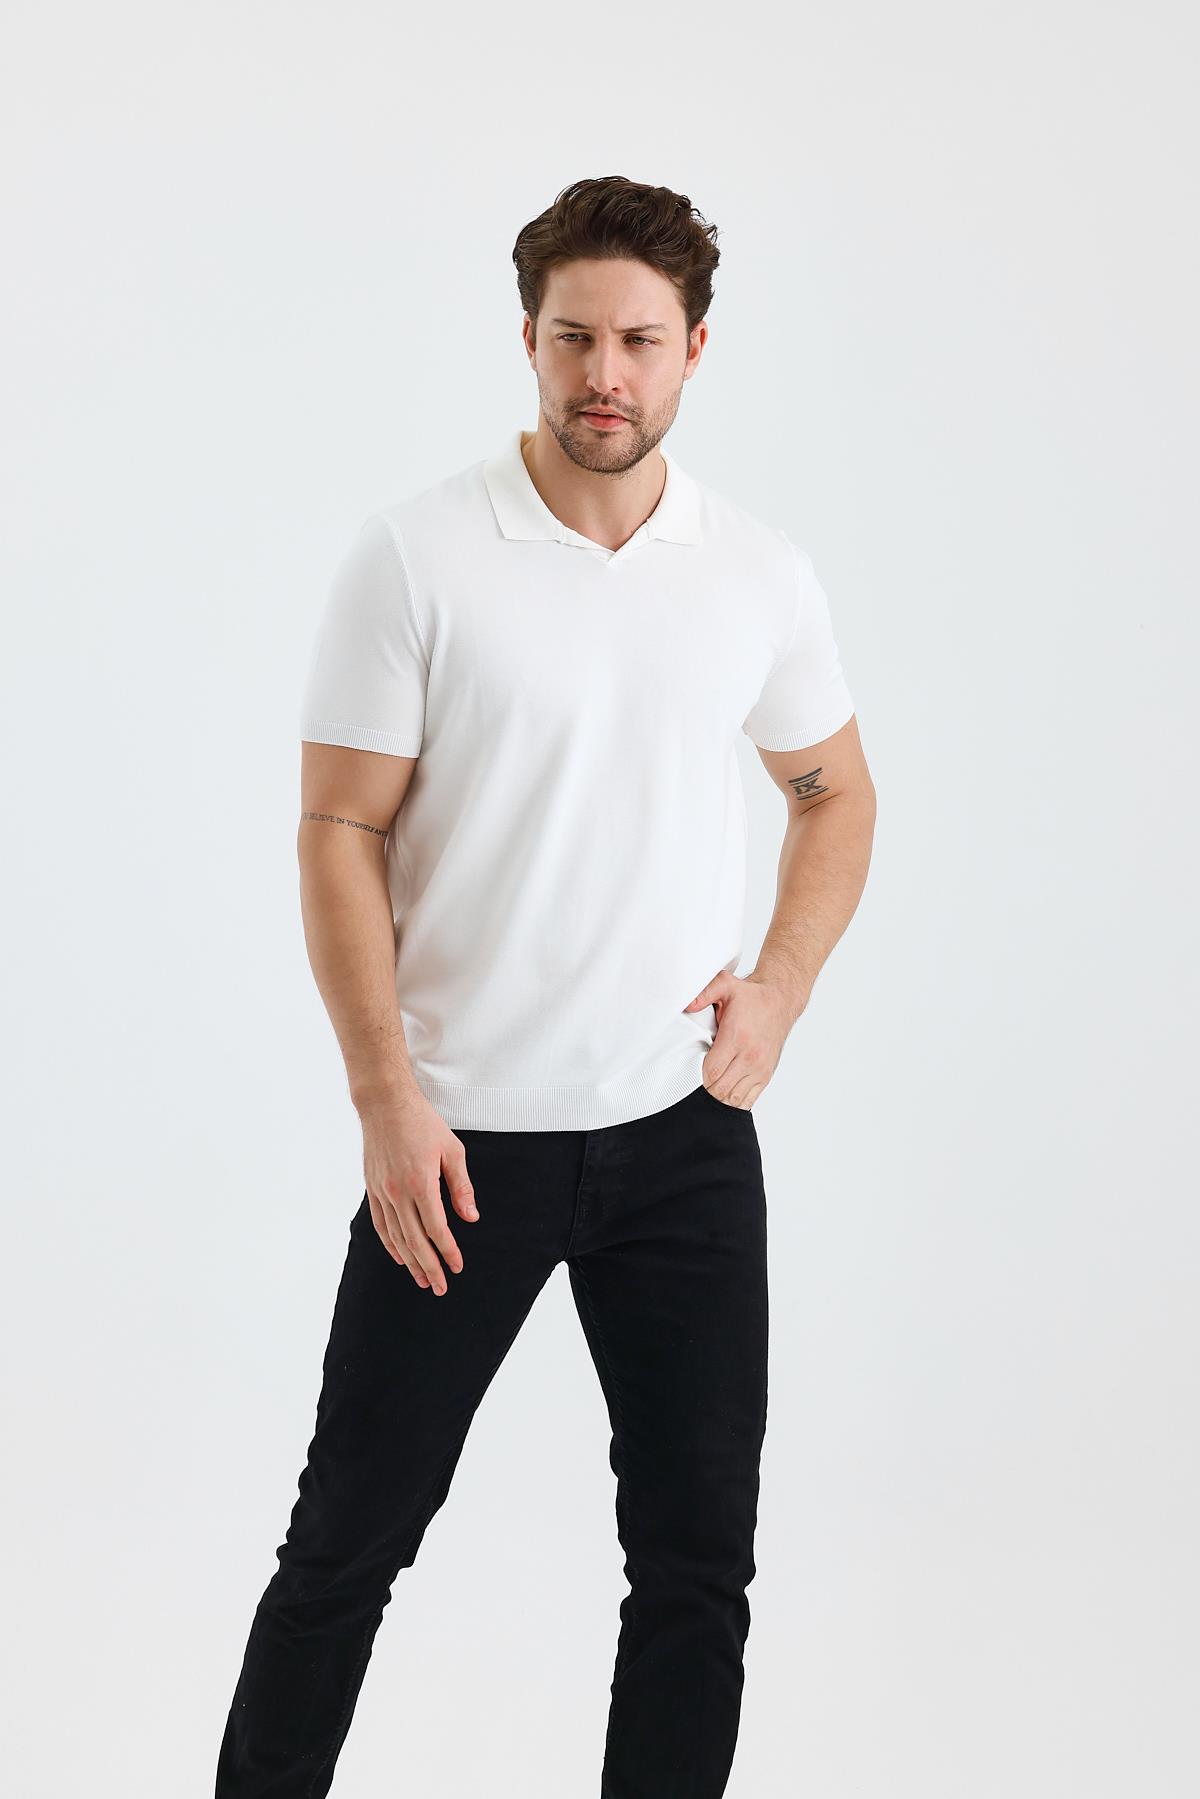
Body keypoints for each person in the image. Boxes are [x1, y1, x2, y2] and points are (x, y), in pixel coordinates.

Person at [215, 174, 876, 1798]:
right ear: (528, 338)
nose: (605, 373)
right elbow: (338, 829)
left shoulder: (757, 573)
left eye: (639, 341)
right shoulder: (418, 557)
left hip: (681, 1135)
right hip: (459, 1146)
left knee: (696, 1571)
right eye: (575, 336)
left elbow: (836, 792)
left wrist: (780, 986)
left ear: (695, 349)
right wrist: (385, 1098)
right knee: (345, 1550)